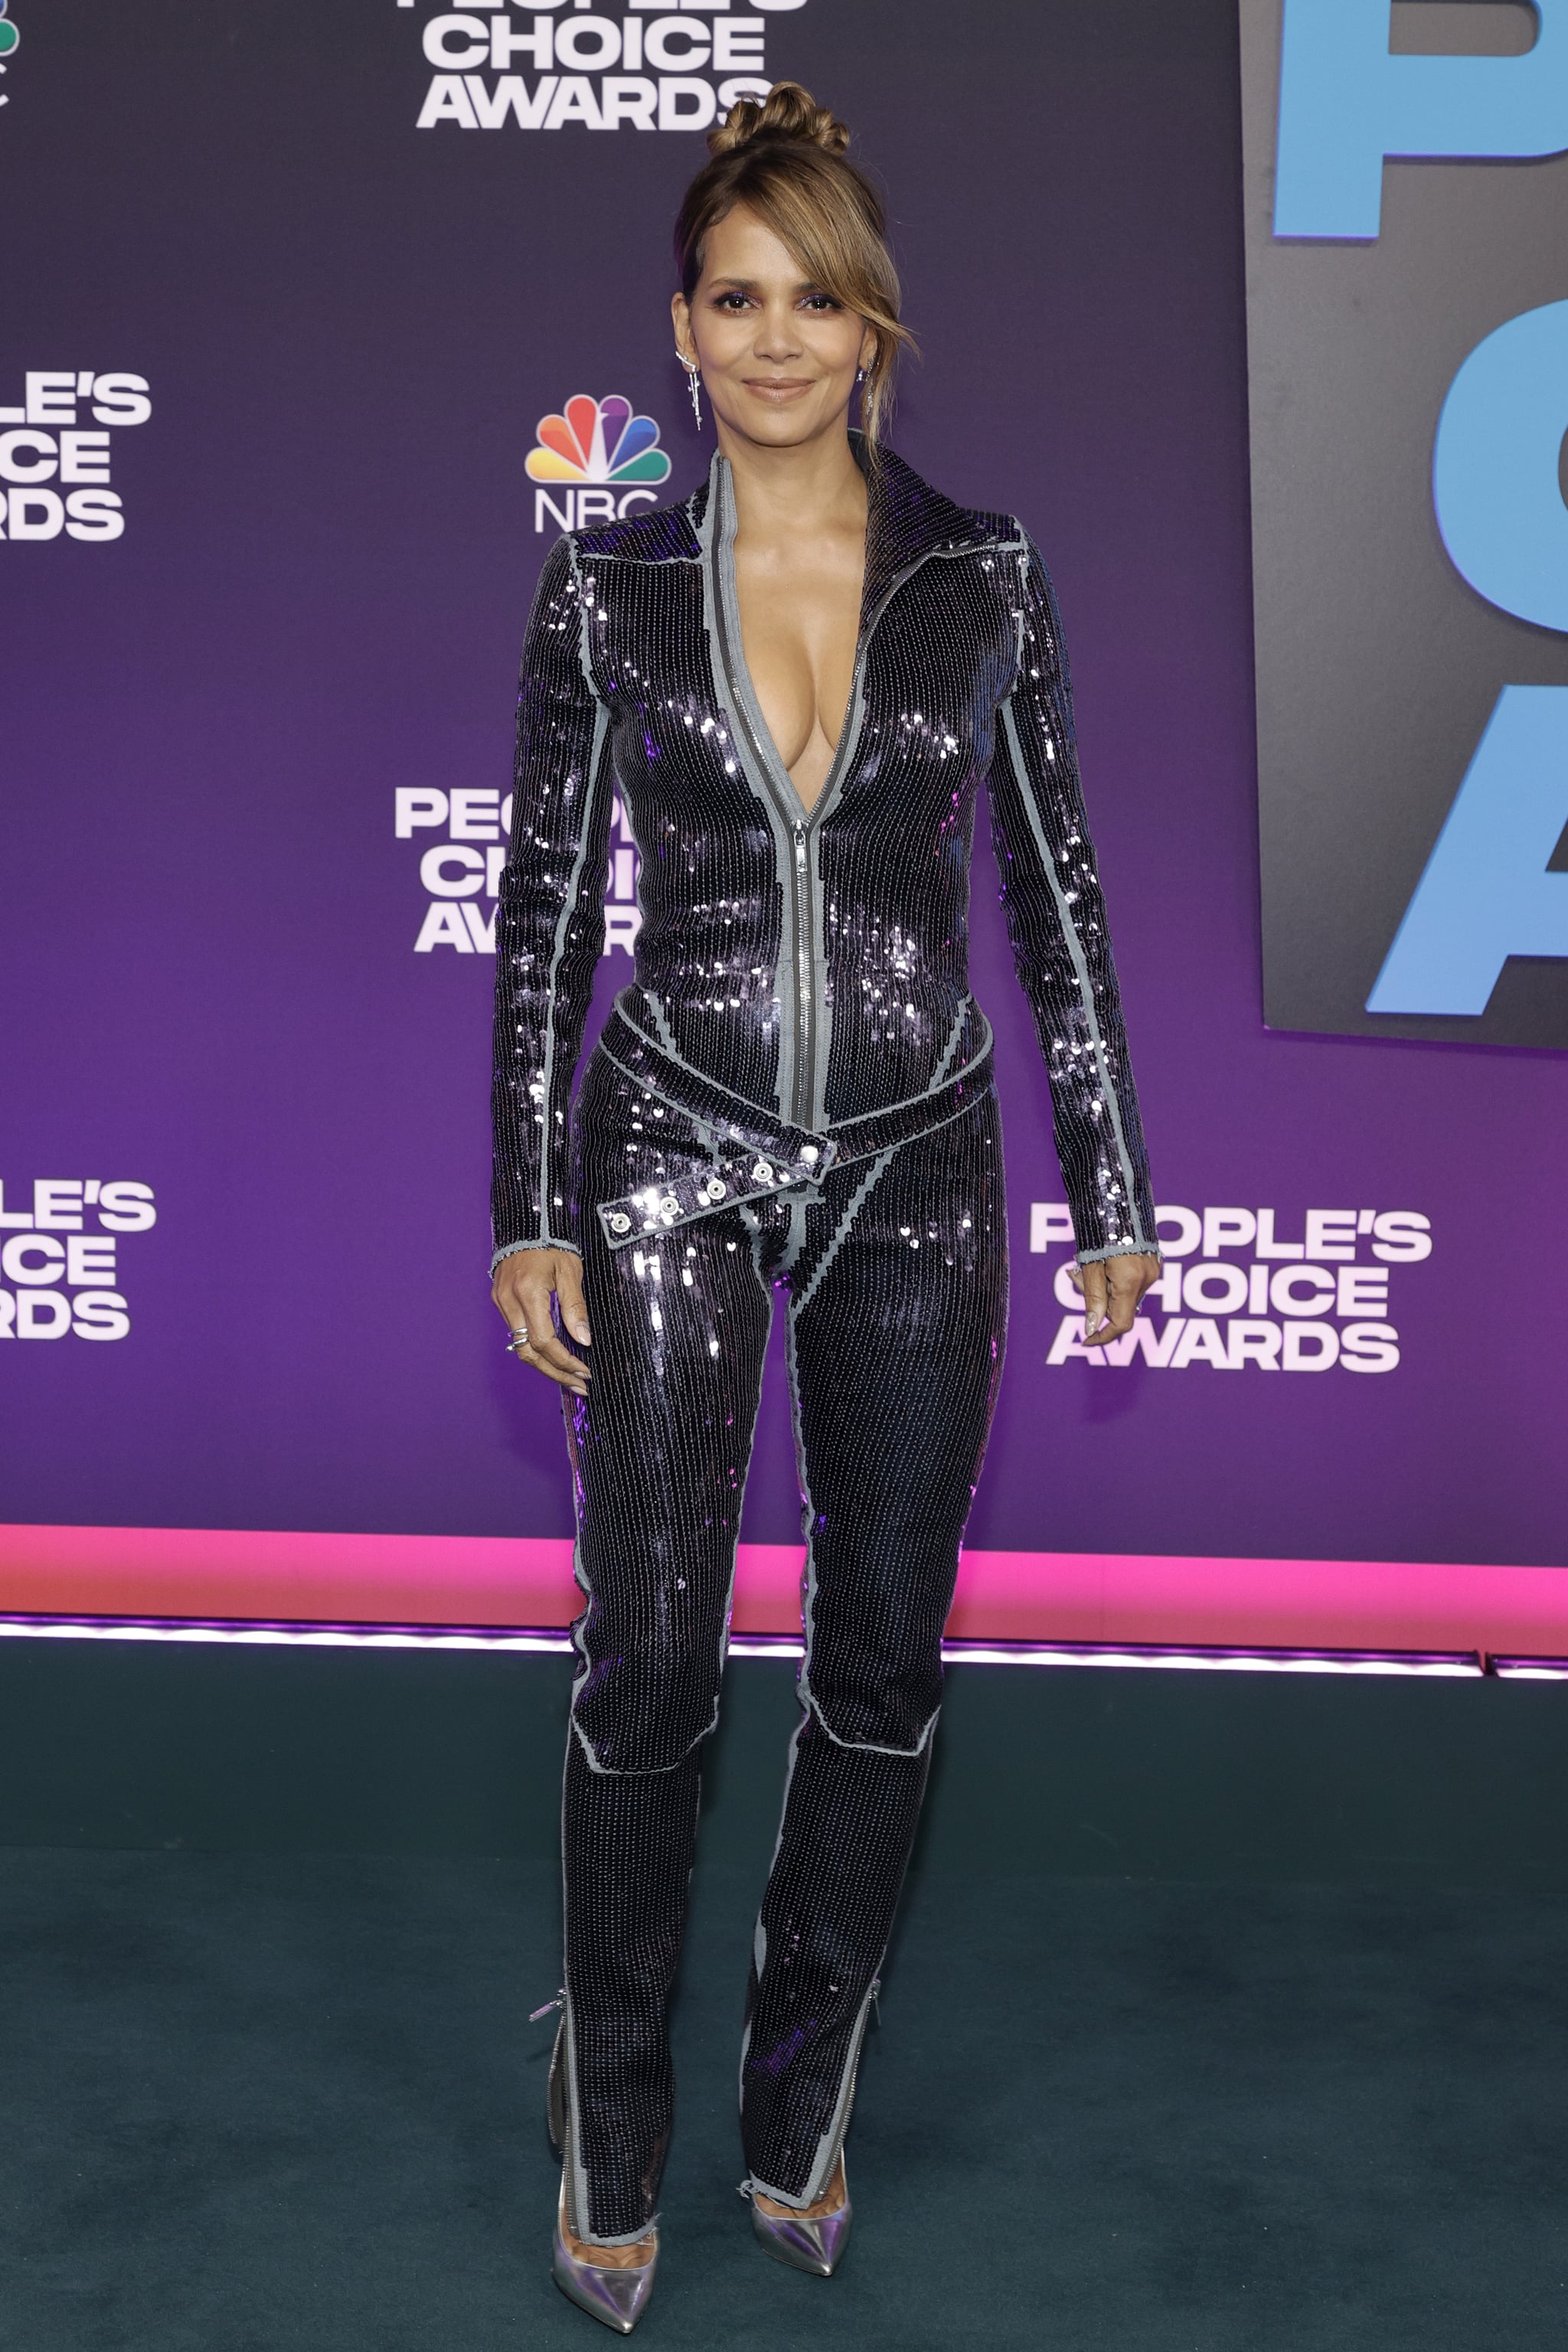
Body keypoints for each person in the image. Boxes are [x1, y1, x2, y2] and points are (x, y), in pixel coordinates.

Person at [489, 82, 1159, 2333]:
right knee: (653, 1664)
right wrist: (527, 1208)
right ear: (682, 330)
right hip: (663, 1144)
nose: (779, 341)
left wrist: (1118, 1192)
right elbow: (533, 917)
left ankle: (798, 2102)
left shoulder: (987, 574)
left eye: (821, 303)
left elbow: (1057, 892)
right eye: (737, 300)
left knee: (881, 1666)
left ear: (878, 329)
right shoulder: (600, 587)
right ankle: (609, 2111)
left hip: (929, 1167)